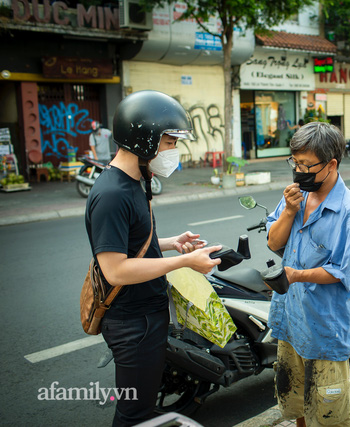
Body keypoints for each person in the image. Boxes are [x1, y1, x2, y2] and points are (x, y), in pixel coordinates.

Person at [85, 90, 222, 426]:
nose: (173, 152)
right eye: (169, 142)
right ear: (142, 139)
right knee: (135, 414)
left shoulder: (134, 181)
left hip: (146, 315)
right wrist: (186, 262)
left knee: (141, 407)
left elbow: (126, 246)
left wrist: (172, 243)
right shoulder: (113, 194)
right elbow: (115, 269)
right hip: (133, 322)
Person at [266, 122, 350, 427]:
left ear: (331, 164)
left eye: (306, 165)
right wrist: (287, 212)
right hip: (291, 322)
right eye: (294, 163)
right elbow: (274, 242)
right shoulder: (295, 196)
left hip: (323, 331)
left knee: (327, 417)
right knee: (298, 407)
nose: (298, 172)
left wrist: (297, 275)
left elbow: (343, 273)